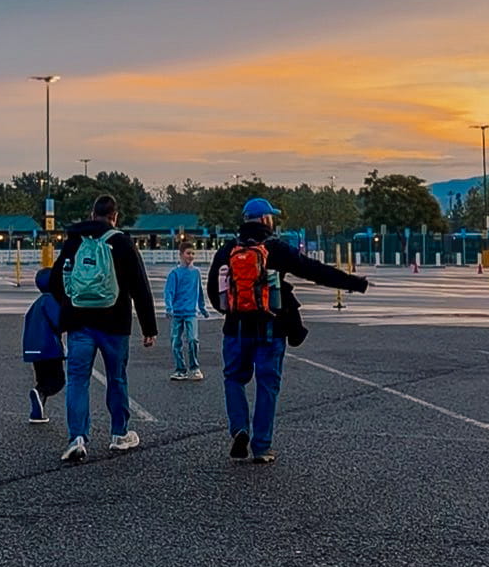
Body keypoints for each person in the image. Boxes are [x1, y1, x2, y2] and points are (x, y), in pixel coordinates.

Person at [208, 197, 367, 465]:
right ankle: (261, 446)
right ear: (265, 220)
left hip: (236, 329)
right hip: (271, 327)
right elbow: (313, 270)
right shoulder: (275, 248)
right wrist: (353, 282)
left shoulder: (227, 250)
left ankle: (239, 429)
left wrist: (232, 311)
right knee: (267, 385)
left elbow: (215, 291)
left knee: (234, 378)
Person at [51, 193, 157, 462]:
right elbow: (140, 286)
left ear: (91, 214)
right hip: (114, 324)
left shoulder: (74, 241)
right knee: (116, 378)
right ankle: (119, 434)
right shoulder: (122, 243)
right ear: (115, 216)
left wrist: (67, 311)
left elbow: (55, 280)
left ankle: (77, 437)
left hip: (79, 323)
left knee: (77, 379)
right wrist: (149, 327)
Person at [22, 266, 66, 423]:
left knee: (43, 378)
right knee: (57, 380)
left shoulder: (36, 304)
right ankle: (39, 392)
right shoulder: (50, 300)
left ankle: (37, 413)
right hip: (49, 348)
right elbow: (59, 322)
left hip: (33, 349)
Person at [164, 241, 208, 379]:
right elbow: (169, 292)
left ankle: (194, 367)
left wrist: (202, 307)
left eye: (193, 253)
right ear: (181, 255)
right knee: (176, 341)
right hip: (177, 312)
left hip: (191, 312)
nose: (191, 256)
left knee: (193, 339)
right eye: (188, 253)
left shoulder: (196, 273)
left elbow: (199, 291)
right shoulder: (174, 273)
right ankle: (180, 369)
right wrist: (169, 307)